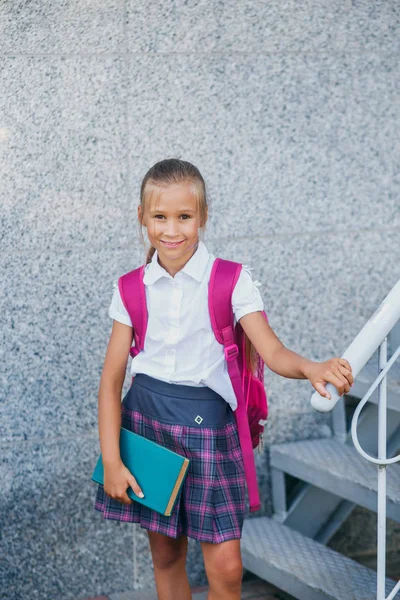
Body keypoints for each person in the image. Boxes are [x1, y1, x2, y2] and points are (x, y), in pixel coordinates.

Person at [94, 158, 354, 600]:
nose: (171, 229)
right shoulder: (130, 288)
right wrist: (113, 460)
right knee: (166, 555)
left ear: (203, 217)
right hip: (148, 427)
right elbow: (111, 382)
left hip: (211, 431)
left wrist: (311, 367)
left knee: (227, 566)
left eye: (184, 216)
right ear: (141, 217)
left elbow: (271, 351)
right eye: (159, 216)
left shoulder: (232, 281)